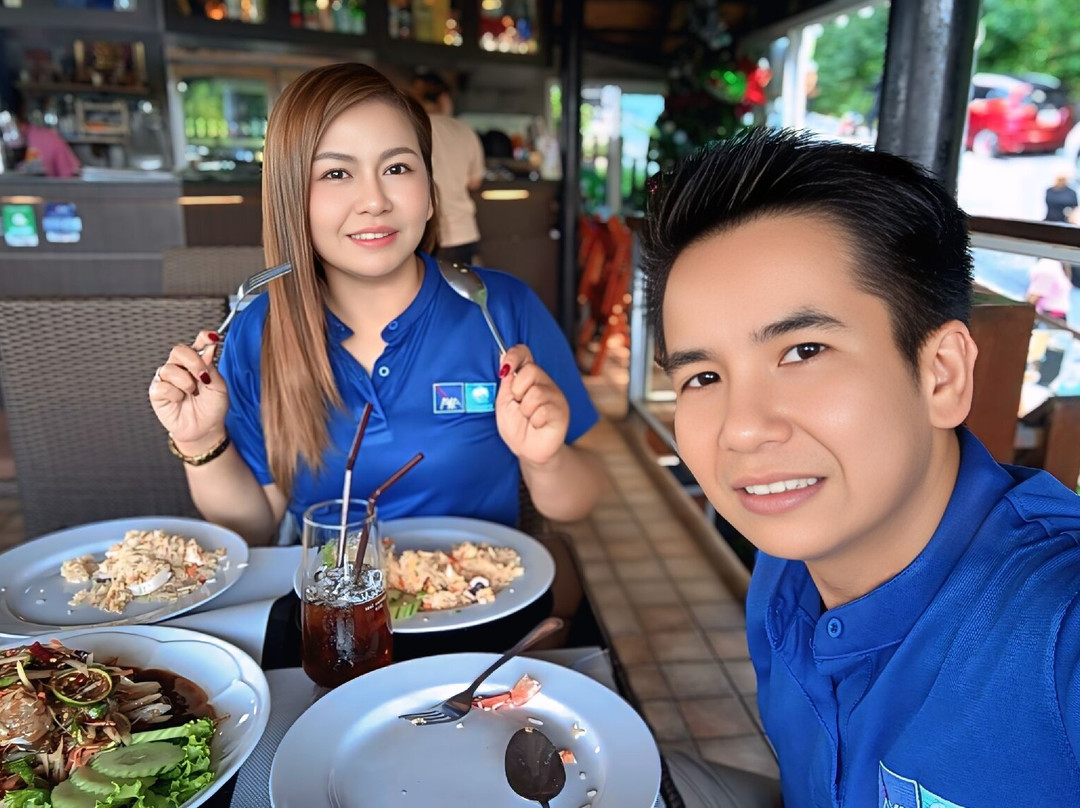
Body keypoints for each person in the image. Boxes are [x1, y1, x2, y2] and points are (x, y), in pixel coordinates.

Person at [640, 128, 1080, 806]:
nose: (742, 428)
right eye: (702, 377)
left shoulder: (1055, 623)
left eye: (803, 351)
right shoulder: (785, 571)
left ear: (941, 374)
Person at [148, 63, 604, 545]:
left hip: (479, 586)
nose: (374, 200)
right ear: (291, 201)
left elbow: (580, 500)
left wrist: (544, 460)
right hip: (332, 593)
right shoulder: (258, 331)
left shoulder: (499, 308)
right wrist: (200, 440)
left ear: (430, 194)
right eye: (336, 173)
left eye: (397, 168)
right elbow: (253, 526)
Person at [410, 71, 486, 266]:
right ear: (444, 98)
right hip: (463, 231)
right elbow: (474, 181)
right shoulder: (464, 130)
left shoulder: (410, 129)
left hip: (425, 233)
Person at [7, 88, 80, 178]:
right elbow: (71, 179)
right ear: (24, 107)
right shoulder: (49, 138)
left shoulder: (49, 139)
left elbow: (72, 178)